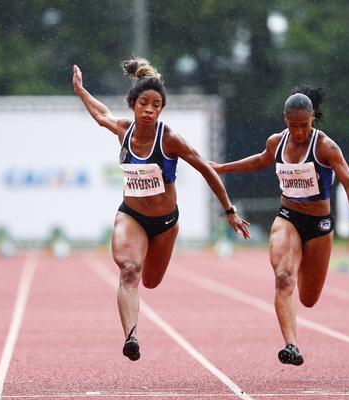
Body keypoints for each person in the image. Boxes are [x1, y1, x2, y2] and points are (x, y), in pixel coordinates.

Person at [72, 59, 250, 361]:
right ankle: (131, 336)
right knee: (129, 271)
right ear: (133, 105)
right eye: (144, 103)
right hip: (131, 215)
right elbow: (100, 113)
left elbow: (206, 170)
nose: (149, 110)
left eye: (156, 105)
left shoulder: (169, 139)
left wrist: (229, 210)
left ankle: (134, 322)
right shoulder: (123, 130)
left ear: (161, 110)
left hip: (166, 223)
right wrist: (80, 90)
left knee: (152, 281)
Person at [210, 85, 349, 366]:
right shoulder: (277, 142)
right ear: (285, 120)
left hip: (319, 225)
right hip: (287, 217)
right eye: (292, 125)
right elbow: (260, 162)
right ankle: (291, 345)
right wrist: (222, 167)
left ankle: (299, 258)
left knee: (309, 298)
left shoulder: (325, 146)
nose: (298, 131)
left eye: (304, 125)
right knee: (284, 277)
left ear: (313, 119)